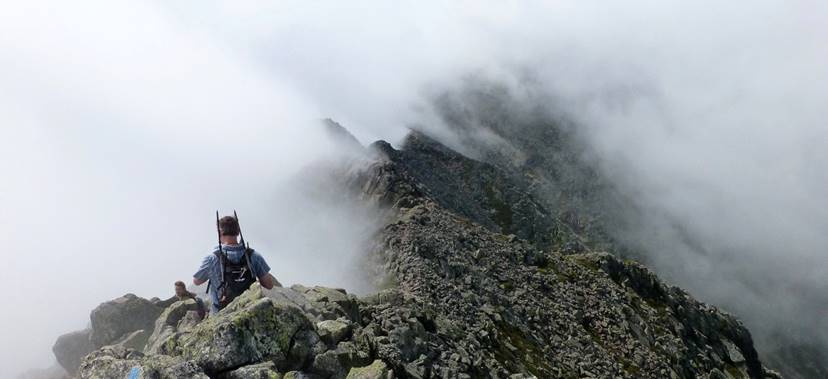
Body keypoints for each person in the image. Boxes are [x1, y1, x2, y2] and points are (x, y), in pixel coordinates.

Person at [193, 215, 279, 315]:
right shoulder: (254, 255)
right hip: (250, 311)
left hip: (222, 314)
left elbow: (197, 281)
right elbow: (269, 285)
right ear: (238, 232)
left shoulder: (211, 258)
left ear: (220, 232)